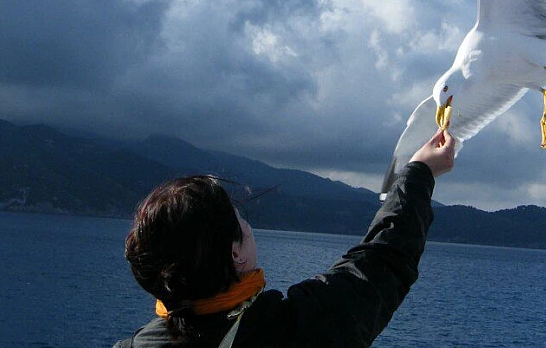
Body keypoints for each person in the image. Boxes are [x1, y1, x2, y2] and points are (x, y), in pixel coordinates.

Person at [114, 129, 456, 348]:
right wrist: (420, 172)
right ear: (235, 254)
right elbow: (382, 262)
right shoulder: (290, 331)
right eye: (240, 218)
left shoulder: (133, 345)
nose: (249, 227)